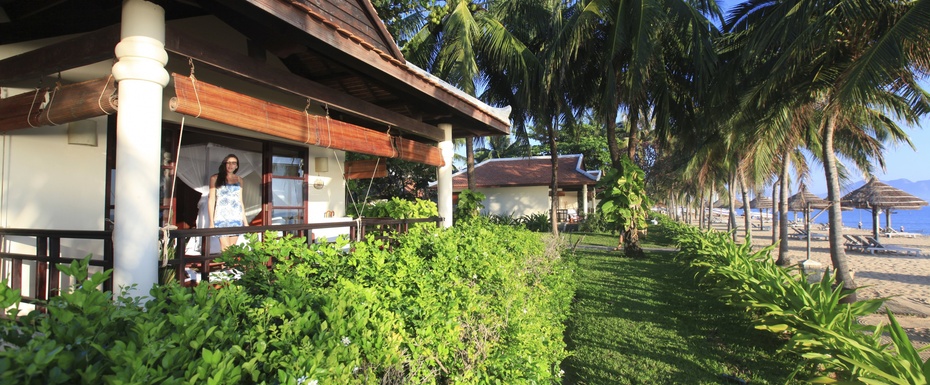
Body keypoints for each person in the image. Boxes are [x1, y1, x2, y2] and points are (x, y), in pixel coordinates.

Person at [208, 154, 248, 251]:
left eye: (233, 163)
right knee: (225, 249)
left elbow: (240, 201)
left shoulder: (239, 180)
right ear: (224, 164)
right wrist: (211, 222)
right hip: (221, 217)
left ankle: (231, 267)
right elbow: (211, 200)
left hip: (236, 217)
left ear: (237, 166)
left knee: (233, 249)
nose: (231, 165)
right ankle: (226, 267)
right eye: (228, 163)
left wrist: (245, 222)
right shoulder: (215, 178)